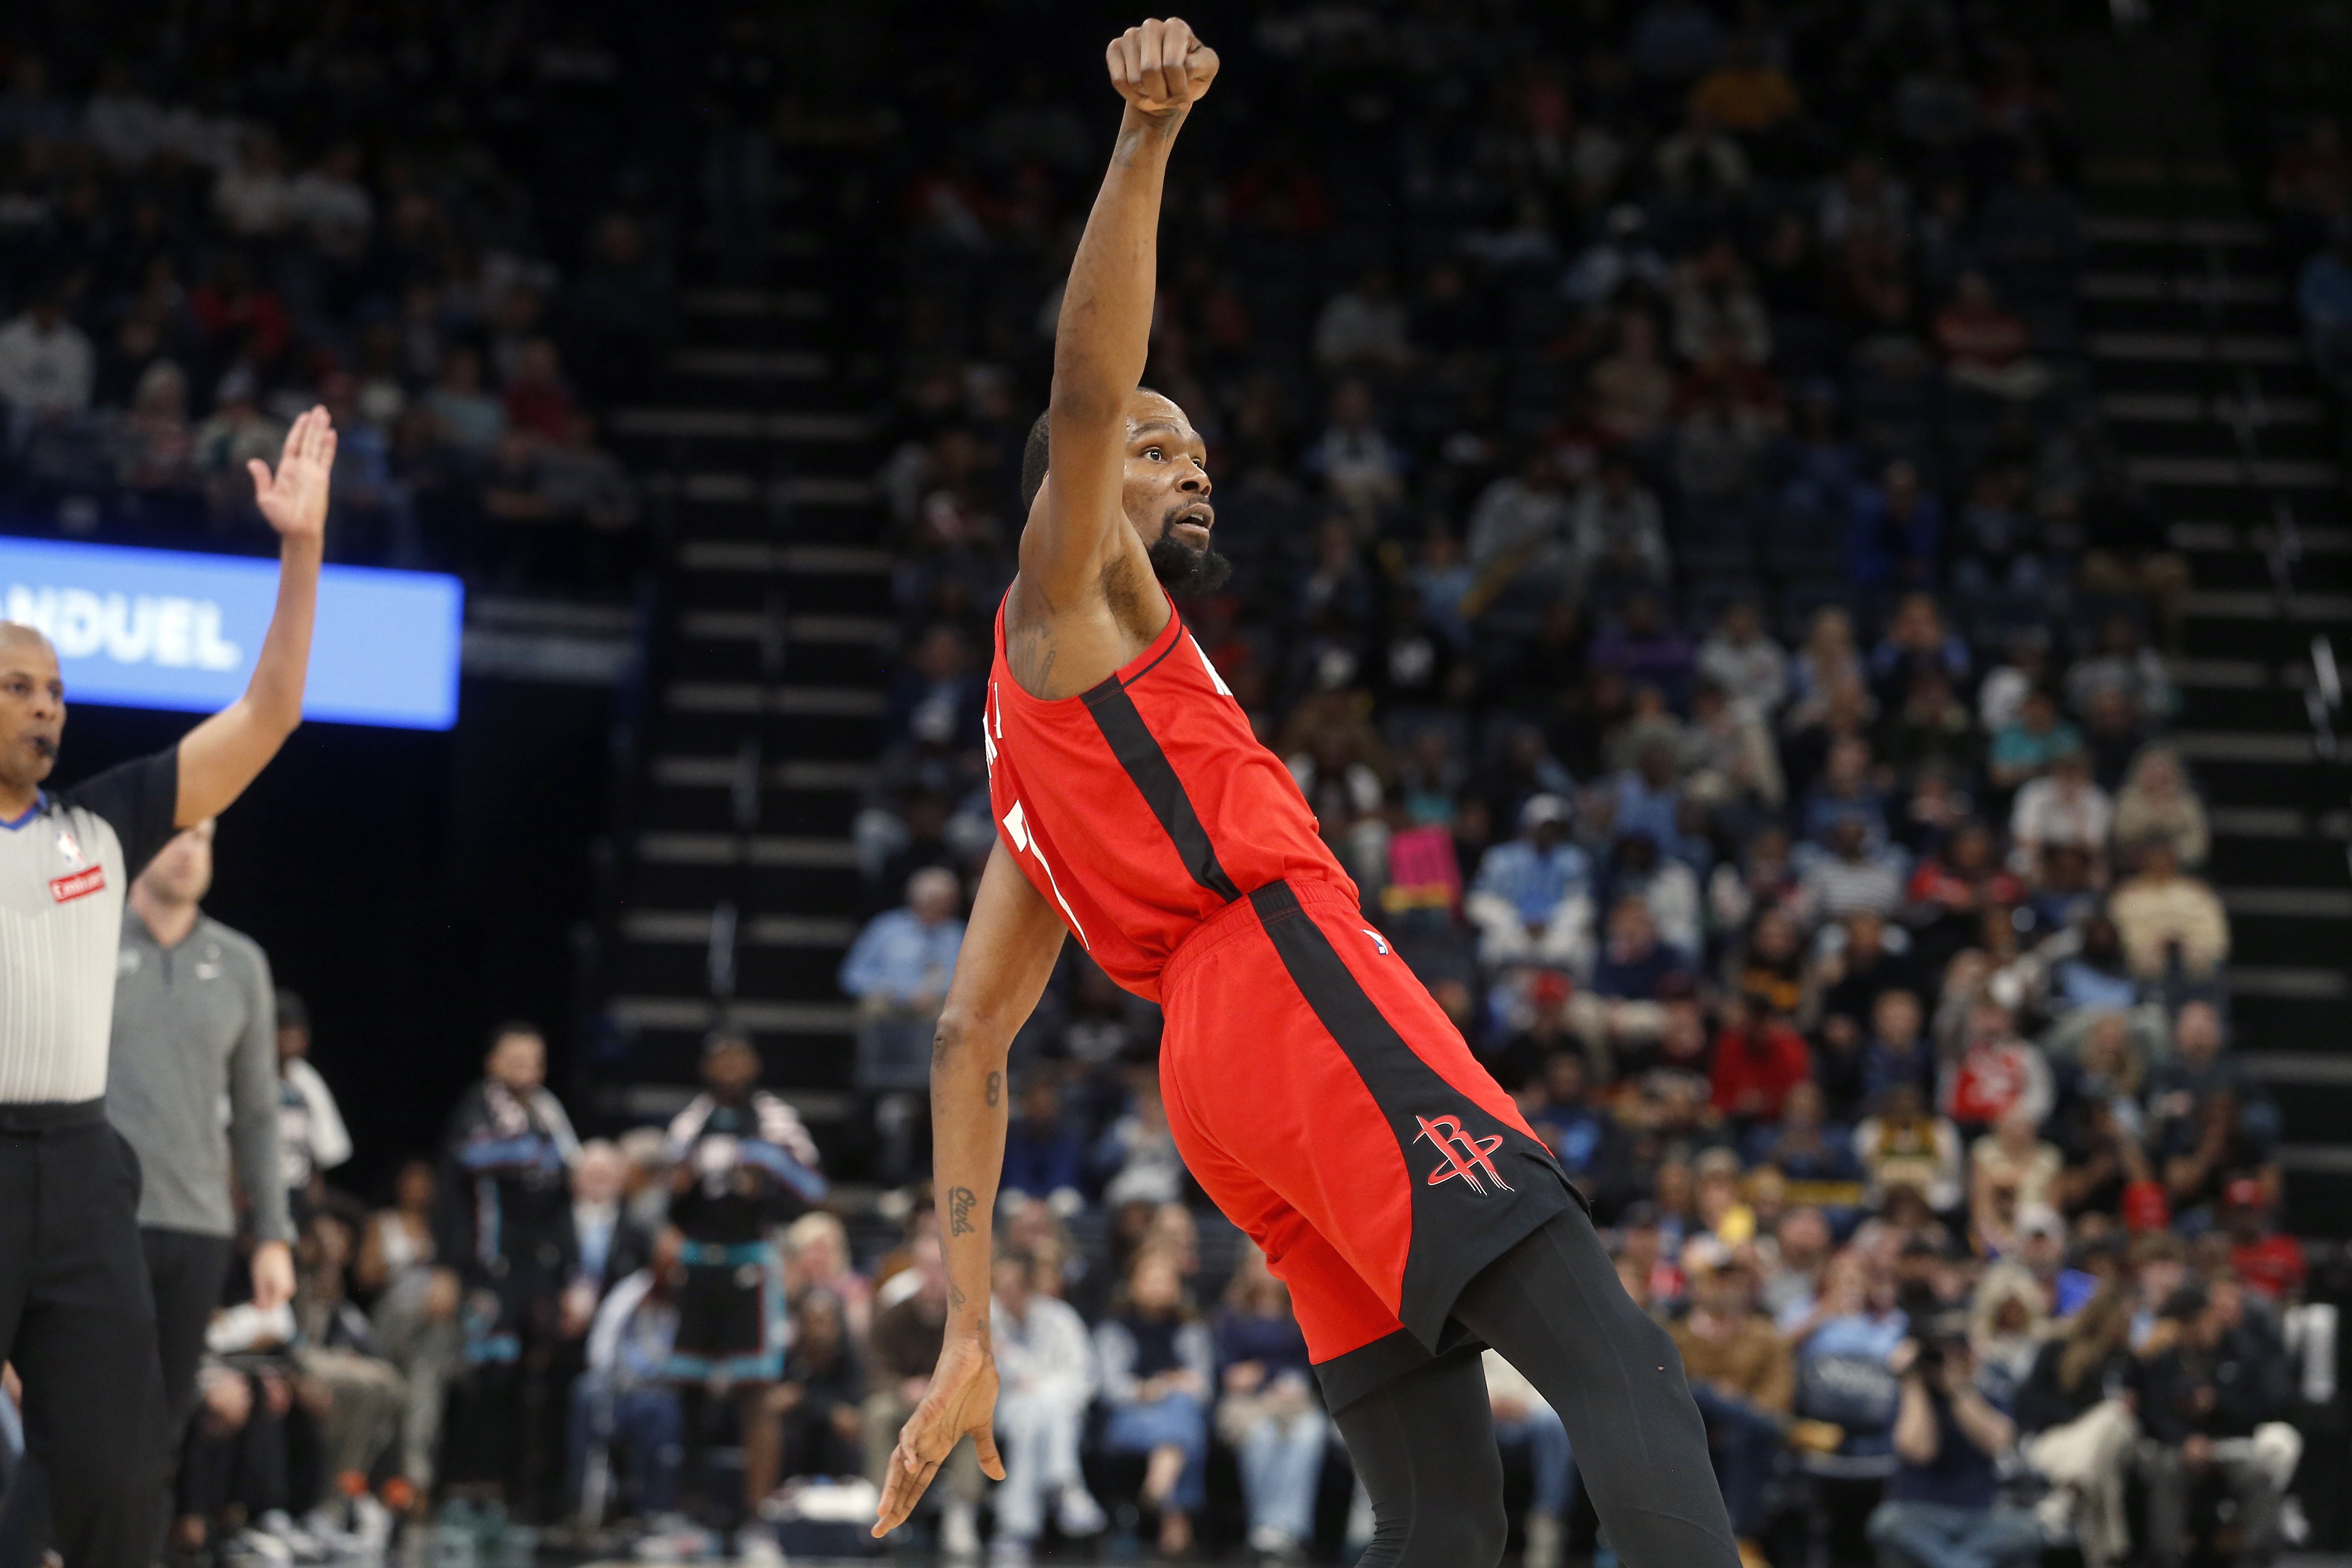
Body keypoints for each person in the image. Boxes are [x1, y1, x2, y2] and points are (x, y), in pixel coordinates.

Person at [871, 25, 1741, 1568]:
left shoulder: (1028, 765)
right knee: (1621, 1364)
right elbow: (1084, 388)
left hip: (1216, 1080)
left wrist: (968, 1324)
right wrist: (1145, 140)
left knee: (1438, 1512)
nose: (1190, 468)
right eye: (1159, 451)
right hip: (1287, 985)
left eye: (1198, 452)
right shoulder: (1071, 595)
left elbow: (967, 1037)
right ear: (1079, 493)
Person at [0, 406, 336, 1568]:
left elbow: (269, 714)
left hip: (81, 1171)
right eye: (15, 685)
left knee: (119, 1479)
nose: (45, 704)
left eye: (54, 687)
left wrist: (302, 549)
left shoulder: (104, 825)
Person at [104, 816, 293, 1539]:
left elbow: (258, 1113)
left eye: (206, 838)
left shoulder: (241, 962)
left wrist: (271, 1235)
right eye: (177, 833)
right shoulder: (91, 942)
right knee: (83, 1417)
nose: (190, 852)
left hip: (200, 1225)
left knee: (162, 1429)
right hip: (99, 1217)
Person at [661, 1030, 825, 1555]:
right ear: (706, 1067)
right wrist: (682, 1185)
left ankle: (758, 1521)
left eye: (739, 1059)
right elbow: (667, 1199)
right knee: (689, 1394)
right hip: (698, 1264)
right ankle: (688, 1517)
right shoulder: (690, 1122)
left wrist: (765, 1184)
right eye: (721, 1060)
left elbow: (813, 1187)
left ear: (754, 1064)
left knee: (756, 1395)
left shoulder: (775, 1121)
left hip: (751, 1263)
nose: (730, 1069)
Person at [436, 1022, 581, 1513]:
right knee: (485, 1377)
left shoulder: (550, 1115)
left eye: (534, 1060)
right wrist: (447, 1268)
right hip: (488, 1269)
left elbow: (564, 1199)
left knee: (533, 1381)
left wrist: (573, 1275)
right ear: (493, 1063)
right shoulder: (475, 1110)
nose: (526, 1069)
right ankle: (465, 1485)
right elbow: (454, 1189)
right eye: (515, 1059)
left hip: (538, 1270)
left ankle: (520, 1495)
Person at [2134, 1282, 2303, 1568]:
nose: (2193, 1330)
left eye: (2197, 1320)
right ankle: (2167, 1559)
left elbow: (2263, 1408)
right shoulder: (2165, 1359)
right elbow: (2153, 1413)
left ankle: (2254, 1560)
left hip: (2231, 1444)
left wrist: (2217, 1404)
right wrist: (2185, 1440)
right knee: (2165, 1471)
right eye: (2185, 1323)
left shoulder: (2242, 1351)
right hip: (2180, 1447)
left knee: (2258, 1473)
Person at [1867, 1331, 2043, 1568]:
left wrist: (1959, 1389)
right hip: (1917, 1514)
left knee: (2028, 1529)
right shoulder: (1909, 1395)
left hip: (1982, 1516)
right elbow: (1920, 1452)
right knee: (1885, 1523)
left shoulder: (1990, 1392)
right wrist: (1912, 1381)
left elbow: (1997, 1443)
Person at [1094, 1251, 1214, 1556]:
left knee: (1182, 1407)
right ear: (1134, 1284)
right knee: (1184, 1422)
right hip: (1132, 1416)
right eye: (1151, 1280)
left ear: (1178, 1287)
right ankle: (1176, 1518)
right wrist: (1154, 1389)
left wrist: (1177, 1388)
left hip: (1177, 1410)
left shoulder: (1192, 1328)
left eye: (1166, 1281)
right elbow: (1112, 1389)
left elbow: (1204, 1388)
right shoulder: (1115, 1328)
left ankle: (1161, 1482)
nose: (1159, 1287)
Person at [986, 1250, 1102, 1563]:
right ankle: (1065, 1485)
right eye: (1000, 1287)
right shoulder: (986, 1321)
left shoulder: (1061, 1318)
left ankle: (1016, 1528)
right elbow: (991, 1379)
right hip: (1004, 1409)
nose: (1007, 1295)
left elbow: (1086, 1377)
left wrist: (1041, 1389)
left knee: (1037, 1418)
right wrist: (1016, 1367)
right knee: (1033, 1412)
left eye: (1014, 1287)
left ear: (1029, 1287)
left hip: (1060, 1409)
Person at [1213, 1248, 1326, 1563]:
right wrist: (1245, 1376)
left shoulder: (1301, 1309)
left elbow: (1311, 1361)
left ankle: (1290, 1528)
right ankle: (1263, 1526)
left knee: (1310, 1433)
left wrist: (1288, 1382)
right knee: (1262, 1435)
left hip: (1294, 1401)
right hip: (1248, 1404)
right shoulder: (1232, 1314)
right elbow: (1226, 1368)